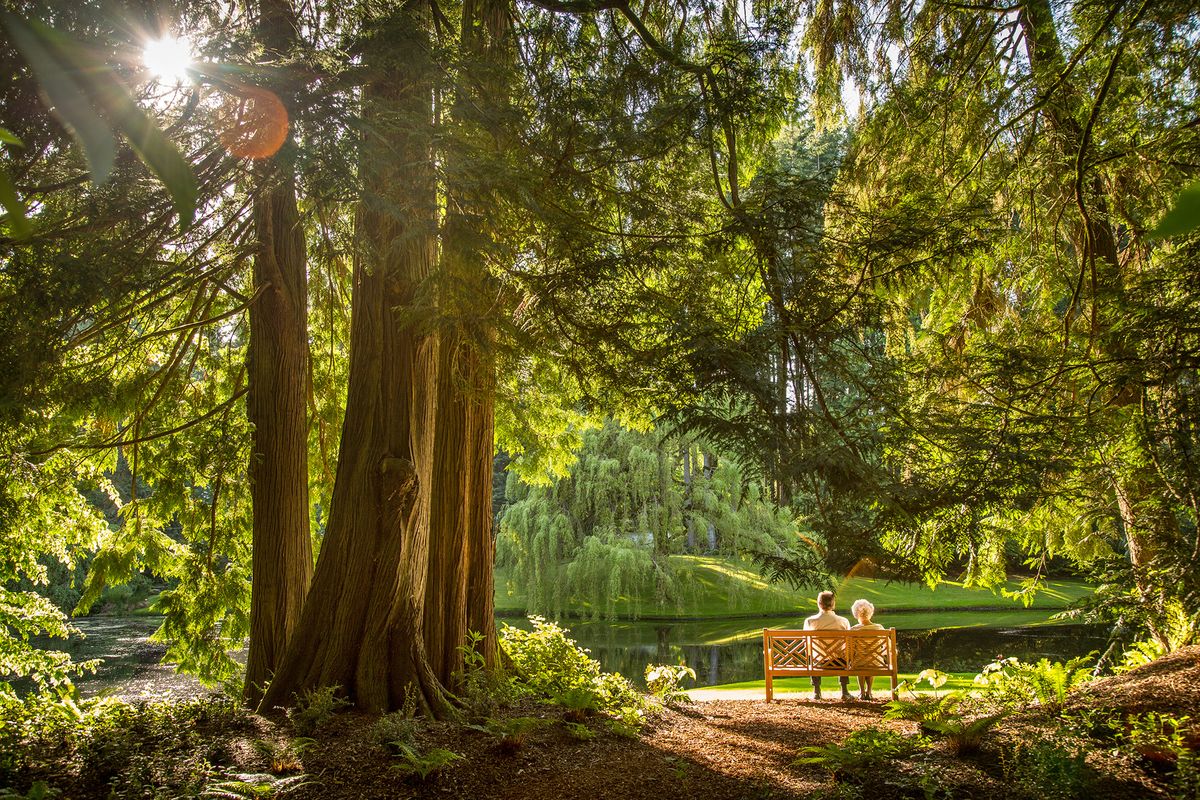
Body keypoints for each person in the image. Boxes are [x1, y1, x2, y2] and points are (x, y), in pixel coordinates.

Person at [803, 590, 851, 700]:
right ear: (833, 604)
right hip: (840, 662)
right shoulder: (843, 621)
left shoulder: (810, 621)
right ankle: (844, 691)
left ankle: (816, 691)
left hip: (819, 663)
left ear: (819, 604)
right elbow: (848, 645)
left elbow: (807, 644)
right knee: (844, 654)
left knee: (813, 653)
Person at [849, 598, 885, 700]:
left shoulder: (854, 629)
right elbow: (886, 646)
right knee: (871, 658)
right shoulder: (879, 628)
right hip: (876, 662)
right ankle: (869, 692)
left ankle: (862, 692)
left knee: (860, 660)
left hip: (859, 663)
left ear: (855, 614)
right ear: (871, 613)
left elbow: (850, 649)